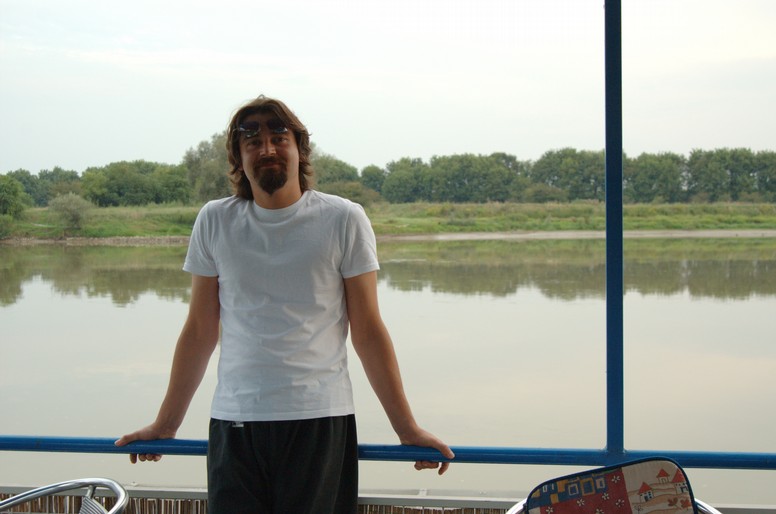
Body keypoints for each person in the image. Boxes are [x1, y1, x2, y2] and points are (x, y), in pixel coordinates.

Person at [115, 95, 454, 513]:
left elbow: (368, 331)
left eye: (279, 138)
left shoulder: (343, 219)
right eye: (253, 141)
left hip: (319, 419)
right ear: (239, 158)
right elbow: (200, 331)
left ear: (299, 149)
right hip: (235, 421)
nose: (267, 148)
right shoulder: (215, 220)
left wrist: (407, 429)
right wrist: (166, 425)